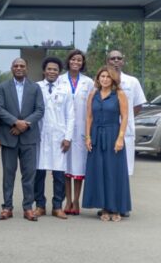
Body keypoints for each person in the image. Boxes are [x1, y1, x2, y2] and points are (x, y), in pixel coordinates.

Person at [0, 58, 44, 222]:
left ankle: (28, 208)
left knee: (29, 175)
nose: (19, 68)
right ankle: (7, 207)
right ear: (11, 68)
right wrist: (16, 122)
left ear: (26, 68)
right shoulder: (2, 87)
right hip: (9, 136)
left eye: (22, 66)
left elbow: (40, 110)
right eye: (16, 66)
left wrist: (25, 125)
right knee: (8, 175)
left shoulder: (35, 87)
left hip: (29, 138)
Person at [83, 66, 131, 222]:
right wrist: (88, 137)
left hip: (112, 135)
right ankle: (104, 207)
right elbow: (89, 117)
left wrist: (120, 138)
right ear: (98, 78)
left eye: (108, 77)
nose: (104, 79)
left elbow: (125, 117)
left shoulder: (119, 94)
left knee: (113, 172)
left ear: (113, 79)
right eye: (102, 76)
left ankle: (116, 208)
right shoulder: (93, 94)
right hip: (96, 135)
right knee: (99, 171)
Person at [34, 57, 74, 220]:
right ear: (44, 71)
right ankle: (40, 205)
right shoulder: (36, 87)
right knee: (39, 173)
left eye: (55, 69)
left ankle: (57, 206)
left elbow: (70, 115)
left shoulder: (65, 89)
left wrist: (68, 137)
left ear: (59, 72)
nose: (52, 72)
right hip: (40, 136)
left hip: (59, 137)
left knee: (59, 174)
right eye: (49, 69)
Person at [58, 49, 94, 216]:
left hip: (81, 129)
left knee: (79, 167)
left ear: (82, 63)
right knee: (65, 166)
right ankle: (67, 200)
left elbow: (92, 108)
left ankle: (76, 201)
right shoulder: (60, 80)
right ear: (68, 61)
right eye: (73, 59)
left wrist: (89, 133)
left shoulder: (88, 82)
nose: (76, 62)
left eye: (79, 60)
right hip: (64, 129)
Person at [106, 50, 146, 177]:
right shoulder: (102, 81)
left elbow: (138, 105)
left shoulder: (132, 81)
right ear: (107, 61)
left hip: (126, 131)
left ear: (123, 62)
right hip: (106, 130)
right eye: (113, 58)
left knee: (125, 169)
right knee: (108, 168)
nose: (116, 60)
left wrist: (125, 118)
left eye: (119, 58)